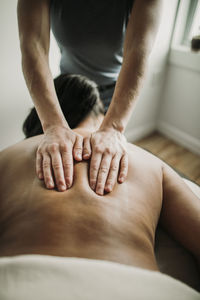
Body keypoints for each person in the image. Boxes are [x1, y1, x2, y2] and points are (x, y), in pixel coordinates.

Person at [0, 74, 199, 298]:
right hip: (135, 289)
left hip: (17, 283)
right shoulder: (149, 162)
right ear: (99, 113)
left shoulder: (8, 157)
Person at [17, 0, 163, 193]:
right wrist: (52, 125)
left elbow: (139, 50)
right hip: (70, 85)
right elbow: (32, 45)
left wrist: (113, 128)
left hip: (116, 88)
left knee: (107, 153)